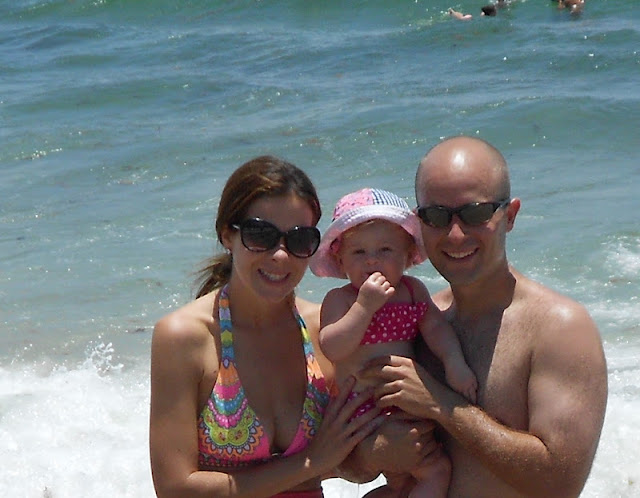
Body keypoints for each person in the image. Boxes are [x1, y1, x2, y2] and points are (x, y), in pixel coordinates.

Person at [360, 136, 608, 497]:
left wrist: (442, 404)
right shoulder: (415, 320)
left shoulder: (559, 328)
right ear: (419, 224)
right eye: (437, 216)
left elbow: (560, 483)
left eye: (475, 214)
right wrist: (371, 454)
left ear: (510, 216)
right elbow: (348, 447)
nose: (455, 234)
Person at [149, 155, 386, 498]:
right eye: (261, 235)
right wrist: (310, 464)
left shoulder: (327, 330)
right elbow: (175, 490)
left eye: (299, 239)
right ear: (227, 235)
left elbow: (355, 460)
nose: (280, 255)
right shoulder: (185, 336)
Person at [309, 188, 478, 497]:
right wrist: (364, 308)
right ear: (340, 258)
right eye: (359, 252)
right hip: (362, 411)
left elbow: (437, 328)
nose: (372, 260)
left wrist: (454, 362)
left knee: (427, 473)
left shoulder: (413, 291)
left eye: (385, 250)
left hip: (406, 404)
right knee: (428, 470)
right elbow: (332, 347)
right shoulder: (340, 299)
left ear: (407, 255)